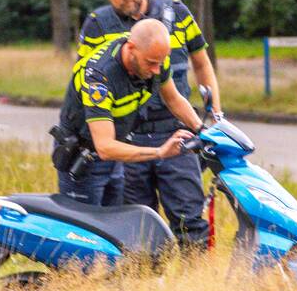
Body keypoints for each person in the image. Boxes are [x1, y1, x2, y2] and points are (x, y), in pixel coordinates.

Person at [77, 0, 223, 247]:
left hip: (176, 132)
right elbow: (86, 85)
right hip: (129, 138)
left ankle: (196, 276)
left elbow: (202, 63)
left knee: (189, 220)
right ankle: (145, 275)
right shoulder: (97, 25)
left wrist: (215, 118)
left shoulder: (177, 13)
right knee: (137, 229)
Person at [54, 18, 204, 206]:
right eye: (151, 63)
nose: (156, 70)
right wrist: (160, 152)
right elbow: (105, 147)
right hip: (83, 158)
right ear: (131, 48)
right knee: (84, 224)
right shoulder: (99, 78)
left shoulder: (155, 57)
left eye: (160, 63)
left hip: (117, 154)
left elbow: (173, 99)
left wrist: (202, 129)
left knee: (116, 221)